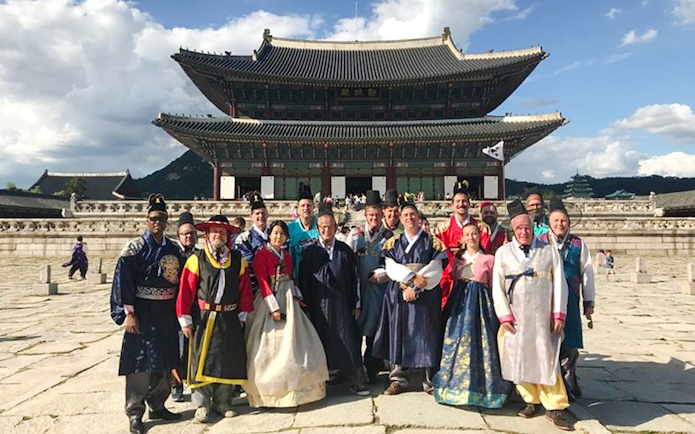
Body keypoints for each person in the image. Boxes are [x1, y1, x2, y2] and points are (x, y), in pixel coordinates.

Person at [491, 199, 571, 431]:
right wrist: (504, 314)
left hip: (543, 315)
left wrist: (558, 313)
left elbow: (560, 284)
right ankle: (530, 399)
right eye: (519, 228)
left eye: (527, 227)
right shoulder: (503, 253)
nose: (524, 231)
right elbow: (497, 286)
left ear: (533, 228)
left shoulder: (549, 251)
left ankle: (554, 406)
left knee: (547, 359)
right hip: (516, 316)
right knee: (518, 357)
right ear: (513, 230)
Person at [110, 194, 184, 434]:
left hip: (167, 311)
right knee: (140, 363)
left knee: (165, 359)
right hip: (142, 310)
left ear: (166, 220)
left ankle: (158, 403)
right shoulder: (135, 248)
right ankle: (135, 411)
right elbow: (124, 282)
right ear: (146, 219)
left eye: (162, 218)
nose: (157, 222)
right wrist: (128, 313)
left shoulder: (175, 248)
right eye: (153, 218)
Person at [176, 215, 254, 423]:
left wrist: (242, 314)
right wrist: (185, 319)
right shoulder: (196, 260)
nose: (218, 235)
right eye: (214, 231)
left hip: (229, 317)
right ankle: (202, 405)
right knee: (201, 360)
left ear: (228, 235)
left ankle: (222, 402)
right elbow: (186, 290)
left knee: (226, 360)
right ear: (206, 235)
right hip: (203, 318)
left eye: (222, 231)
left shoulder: (238, 260)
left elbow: (244, 290)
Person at [245, 220, 329, 407]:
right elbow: (263, 282)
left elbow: (291, 278)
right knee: (269, 345)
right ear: (269, 235)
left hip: (289, 296)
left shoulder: (287, 254)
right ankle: (268, 393)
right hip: (270, 298)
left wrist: (297, 296)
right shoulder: (262, 255)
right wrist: (274, 307)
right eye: (275, 233)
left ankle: (301, 389)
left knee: (297, 341)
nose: (278, 237)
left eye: (282, 234)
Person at [373, 196, 447, 396]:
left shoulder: (433, 242)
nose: (409, 218)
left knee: (426, 334)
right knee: (397, 333)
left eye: (412, 214)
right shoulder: (393, 242)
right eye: (405, 215)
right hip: (399, 292)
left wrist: (417, 287)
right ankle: (398, 378)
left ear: (418, 216)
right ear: (401, 218)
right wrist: (409, 280)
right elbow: (390, 266)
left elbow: (436, 267)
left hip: (425, 294)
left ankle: (428, 380)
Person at [433, 223, 511, 408]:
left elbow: (493, 285)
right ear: (462, 238)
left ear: (479, 235)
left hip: (481, 303)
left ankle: (486, 390)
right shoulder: (457, 259)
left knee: (483, 342)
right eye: (467, 234)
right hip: (459, 301)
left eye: (474, 233)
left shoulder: (489, 259)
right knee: (456, 340)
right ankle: (453, 387)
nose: (471, 237)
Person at [299, 205, 369, 396]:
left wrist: (357, 304)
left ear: (336, 228)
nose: (326, 230)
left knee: (349, 342)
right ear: (318, 228)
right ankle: (325, 380)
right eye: (322, 227)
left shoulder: (345, 251)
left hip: (343, 305)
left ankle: (356, 381)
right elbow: (304, 281)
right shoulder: (310, 251)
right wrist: (307, 305)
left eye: (329, 227)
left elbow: (355, 280)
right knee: (321, 342)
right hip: (319, 306)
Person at [543, 198, 595, 401]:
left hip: (571, 299)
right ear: (549, 222)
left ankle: (569, 376)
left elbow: (587, 272)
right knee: (548, 340)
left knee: (570, 341)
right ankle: (552, 383)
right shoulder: (540, 242)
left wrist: (588, 301)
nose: (559, 224)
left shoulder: (578, 244)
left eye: (563, 220)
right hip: (546, 297)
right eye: (555, 220)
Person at [345, 190, 391, 383]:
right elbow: (346, 260)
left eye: (377, 215)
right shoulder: (355, 235)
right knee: (355, 329)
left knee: (374, 329)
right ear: (365, 216)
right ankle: (353, 368)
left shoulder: (388, 237)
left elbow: (395, 264)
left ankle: (372, 367)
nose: (374, 218)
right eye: (370, 215)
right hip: (357, 288)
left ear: (382, 216)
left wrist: (382, 275)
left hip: (378, 290)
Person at [171, 211, 200, 403]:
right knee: (177, 348)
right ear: (178, 236)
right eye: (184, 234)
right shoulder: (172, 254)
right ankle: (176, 385)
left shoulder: (200, 256)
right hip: (173, 308)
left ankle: (196, 382)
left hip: (196, 308)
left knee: (194, 347)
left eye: (191, 233)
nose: (188, 236)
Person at [434, 180, 478, 309]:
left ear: (469, 203)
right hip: (448, 278)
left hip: (474, 277)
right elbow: (438, 256)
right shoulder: (441, 229)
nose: (461, 204)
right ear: (452, 205)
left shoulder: (481, 228)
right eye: (457, 202)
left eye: (464, 201)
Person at [234, 192, 269, 293]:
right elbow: (248, 262)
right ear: (251, 216)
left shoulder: (275, 234)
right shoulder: (244, 238)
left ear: (267, 215)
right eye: (257, 214)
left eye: (263, 213)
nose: (260, 216)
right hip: (254, 285)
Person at [288, 183, 320, 278]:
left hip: (318, 275)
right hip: (297, 276)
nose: (306, 209)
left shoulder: (321, 226)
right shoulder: (290, 228)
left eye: (309, 205)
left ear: (313, 207)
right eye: (303, 206)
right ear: (297, 208)